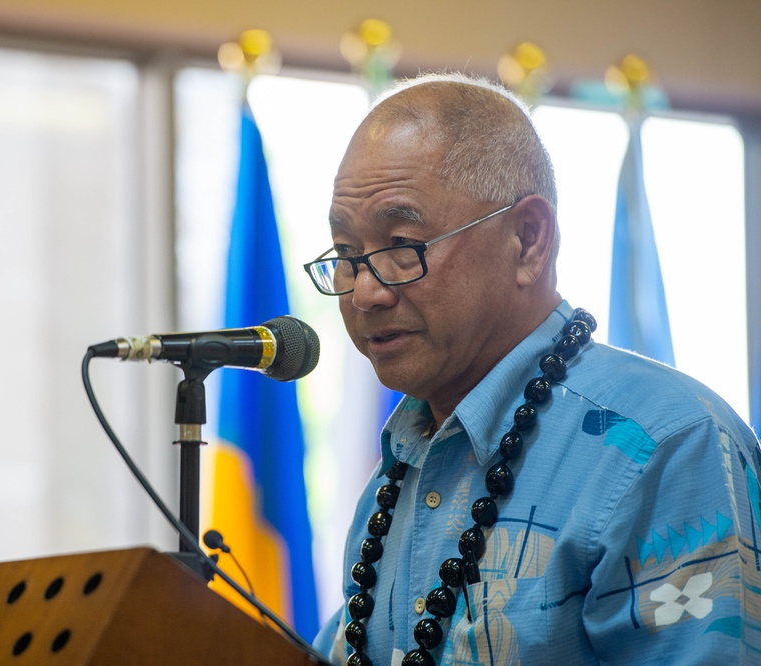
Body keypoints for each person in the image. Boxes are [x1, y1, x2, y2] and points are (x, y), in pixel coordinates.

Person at [305, 72, 761, 665]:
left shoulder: (670, 447)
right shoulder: (401, 468)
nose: (364, 292)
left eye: (400, 244)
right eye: (345, 256)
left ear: (528, 240)